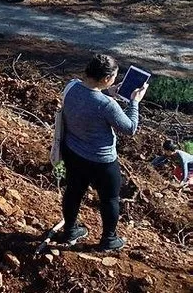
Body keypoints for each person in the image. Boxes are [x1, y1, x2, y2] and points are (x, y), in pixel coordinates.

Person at [59, 54, 148, 251]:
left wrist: (108, 93)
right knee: (109, 199)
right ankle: (109, 240)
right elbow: (130, 128)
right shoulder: (107, 105)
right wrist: (135, 102)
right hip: (102, 161)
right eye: (115, 76)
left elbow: (87, 103)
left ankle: (70, 230)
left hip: (73, 152)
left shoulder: (71, 86)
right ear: (107, 79)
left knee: (73, 191)